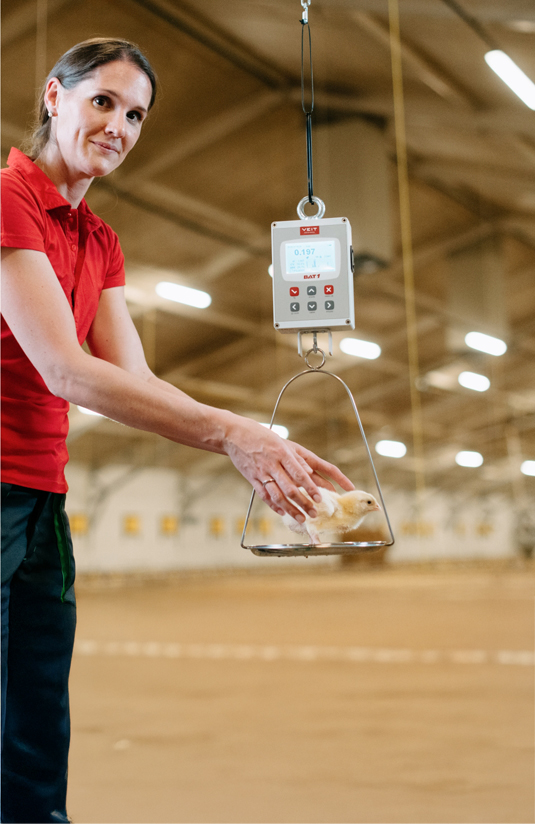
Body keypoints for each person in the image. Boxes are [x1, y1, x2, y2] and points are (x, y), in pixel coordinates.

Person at [0, 38, 353, 822]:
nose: (118, 126)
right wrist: (232, 435)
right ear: (53, 98)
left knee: (32, 723)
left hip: (39, 501)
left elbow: (136, 380)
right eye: (102, 102)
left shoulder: (101, 241)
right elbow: (67, 372)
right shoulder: (7, 198)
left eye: (135, 115)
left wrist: (256, 438)